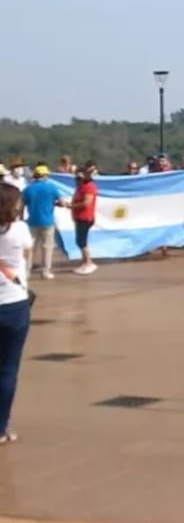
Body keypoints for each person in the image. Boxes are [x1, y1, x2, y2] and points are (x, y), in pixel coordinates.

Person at [0, 183, 33, 444]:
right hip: (14, 302)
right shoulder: (19, 229)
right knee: (8, 369)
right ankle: (2, 427)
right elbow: (27, 249)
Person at [21, 164, 61, 280]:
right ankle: (46, 271)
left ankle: (26, 272)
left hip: (32, 222)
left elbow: (22, 205)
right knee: (47, 248)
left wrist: (20, 219)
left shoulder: (28, 189)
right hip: (48, 222)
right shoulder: (51, 188)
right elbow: (61, 202)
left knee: (30, 248)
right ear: (45, 176)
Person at [66, 161, 99, 275]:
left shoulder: (89, 187)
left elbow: (86, 203)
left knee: (82, 241)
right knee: (80, 241)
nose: (77, 180)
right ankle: (85, 262)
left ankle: (89, 263)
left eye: (79, 178)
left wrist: (70, 206)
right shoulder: (81, 187)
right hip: (79, 217)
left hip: (85, 217)